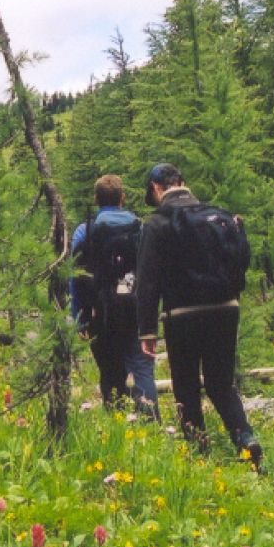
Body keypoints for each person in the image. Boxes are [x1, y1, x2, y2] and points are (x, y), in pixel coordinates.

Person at [135, 163, 263, 468]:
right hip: (226, 308)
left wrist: (147, 330)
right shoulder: (218, 215)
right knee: (221, 383)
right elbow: (239, 261)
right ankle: (245, 439)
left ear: (156, 188)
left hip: (183, 313)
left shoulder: (156, 223)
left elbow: (147, 280)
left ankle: (198, 453)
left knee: (186, 384)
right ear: (182, 182)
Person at [71, 175, 160, 419]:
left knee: (110, 371)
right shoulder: (140, 227)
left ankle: (116, 424)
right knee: (142, 368)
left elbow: (75, 276)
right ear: (123, 198)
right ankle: (150, 423)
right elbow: (152, 271)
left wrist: (78, 317)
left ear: (96, 199)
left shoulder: (85, 230)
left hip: (102, 313)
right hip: (136, 308)